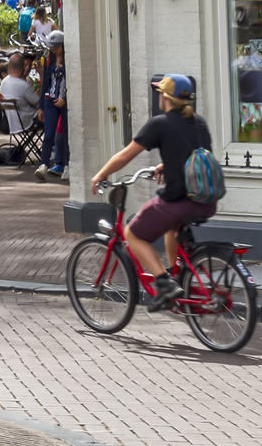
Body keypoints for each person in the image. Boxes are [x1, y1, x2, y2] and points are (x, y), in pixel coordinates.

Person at [90, 75, 217, 310]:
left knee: (132, 234)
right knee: (171, 227)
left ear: (165, 97)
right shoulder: (199, 122)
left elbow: (125, 156)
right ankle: (175, 277)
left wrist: (100, 175)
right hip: (206, 202)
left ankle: (163, 282)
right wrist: (166, 166)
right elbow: (195, 158)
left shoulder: (160, 123)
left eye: (160, 92)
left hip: (179, 202)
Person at [36, 33, 69, 183]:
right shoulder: (48, 61)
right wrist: (40, 106)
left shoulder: (69, 60)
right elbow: (44, 84)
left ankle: (67, 165)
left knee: (68, 135)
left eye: (57, 47)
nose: (55, 50)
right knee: (48, 134)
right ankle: (43, 164)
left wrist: (65, 98)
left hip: (65, 102)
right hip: (50, 101)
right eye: (52, 47)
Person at [0, 54, 40, 140]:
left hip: (10, 122)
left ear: (9, 66)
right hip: (26, 122)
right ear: (23, 66)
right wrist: (41, 74)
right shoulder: (24, 85)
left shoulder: (4, 82)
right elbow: (38, 104)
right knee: (51, 116)